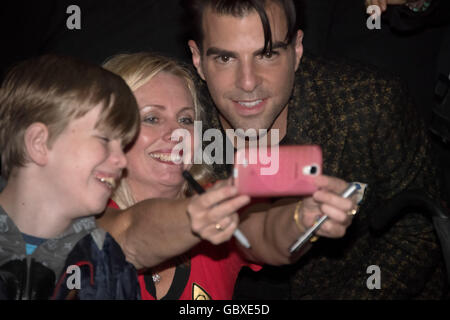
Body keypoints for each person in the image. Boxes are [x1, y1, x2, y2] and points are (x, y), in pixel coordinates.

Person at [181, 0, 447, 299]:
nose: (247, 82)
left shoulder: (369, 104)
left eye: (267, 54)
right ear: (198, 59)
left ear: (296, 51)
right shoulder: (174, 125)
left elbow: (420, 226)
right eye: (226, 59)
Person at [97, 52, 357, 299]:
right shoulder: (82, 212)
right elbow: (128, 235)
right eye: (152, 118)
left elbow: (264, 231)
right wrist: (200, 213)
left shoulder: (214, 196)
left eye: (186, 120)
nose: (177, 134)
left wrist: (302, 217)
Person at [0, 54, 141, 300]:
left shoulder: (106, 265)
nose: (122, 160)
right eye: (105, 139)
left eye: (124, 144)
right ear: (39, 143)